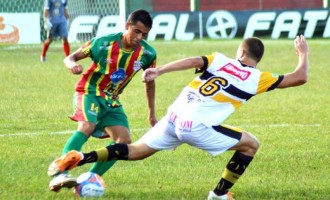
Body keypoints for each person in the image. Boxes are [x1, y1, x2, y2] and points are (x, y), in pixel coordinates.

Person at [48, 35, 309, 199]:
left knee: (135, 149)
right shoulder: (257, 78)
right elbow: (300, 77)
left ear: (240, 52)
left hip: (174, 115)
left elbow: (192, 60)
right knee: (251, 144)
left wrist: (159, 70)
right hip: (195, 126)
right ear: (256, 59)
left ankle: (81, 157)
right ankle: (218, 196)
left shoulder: (219, 59)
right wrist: (303, 54)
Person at [48, 9, 158, 192]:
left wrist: (152, 113)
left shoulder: (148, 53)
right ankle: (61, 173)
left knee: (123, 142)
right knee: (86, 127)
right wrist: (72, 65)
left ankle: (88, 180)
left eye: (144, 34)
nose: (140, 37)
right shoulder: (103, 43)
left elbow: (150, 83)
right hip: (89, 91)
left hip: (112, 99)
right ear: (127, 26)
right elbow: (70, 57)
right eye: (136, 31)